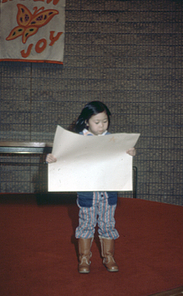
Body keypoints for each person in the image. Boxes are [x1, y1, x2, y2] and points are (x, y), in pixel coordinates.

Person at [46, 101, 136, 273]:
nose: (101, 126)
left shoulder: (114, 140)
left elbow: (121, 160)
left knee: (108, 224)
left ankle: (108, 257)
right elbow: (64, 159)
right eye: (97, 122)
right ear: (87, 121)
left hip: (108, 193)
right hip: (87, 194)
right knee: (86, 225)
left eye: (105, 121)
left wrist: (130, 153)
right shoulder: (77, 140)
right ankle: (84, 260)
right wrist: (52, 159)